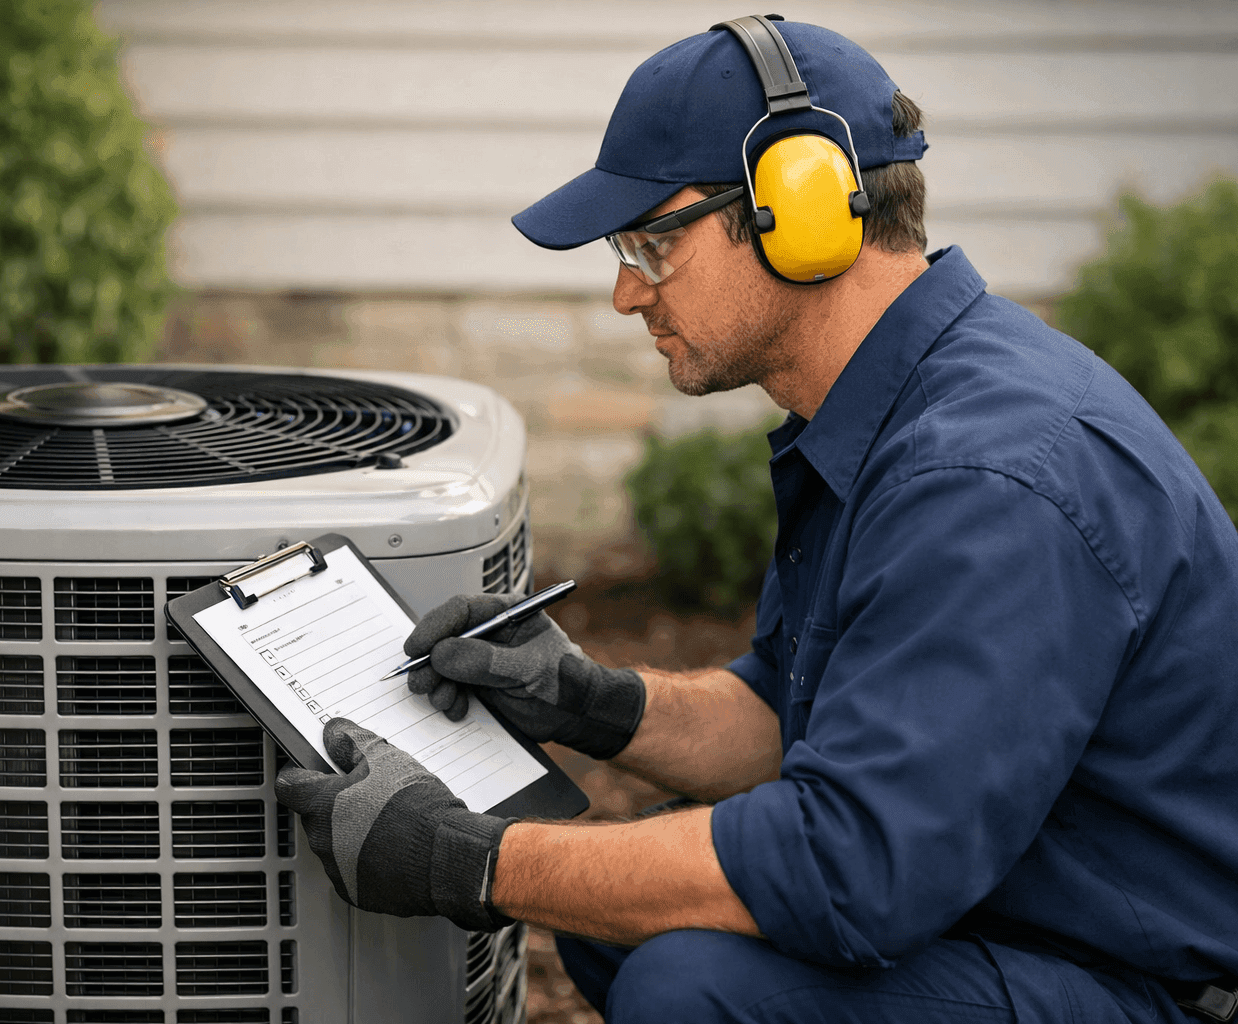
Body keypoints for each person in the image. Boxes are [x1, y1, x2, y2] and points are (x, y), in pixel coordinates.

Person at [275, 15, 1238, 1024]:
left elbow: (850, 868)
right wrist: (591, 702)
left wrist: (470, 861)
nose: (624, 292)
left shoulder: (986, 478)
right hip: (1016, 913)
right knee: (627, 920)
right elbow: (795, 717)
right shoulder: (883, 414)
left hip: (1155, 988)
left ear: (802, 212)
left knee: (689, 986)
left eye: (652, 244)